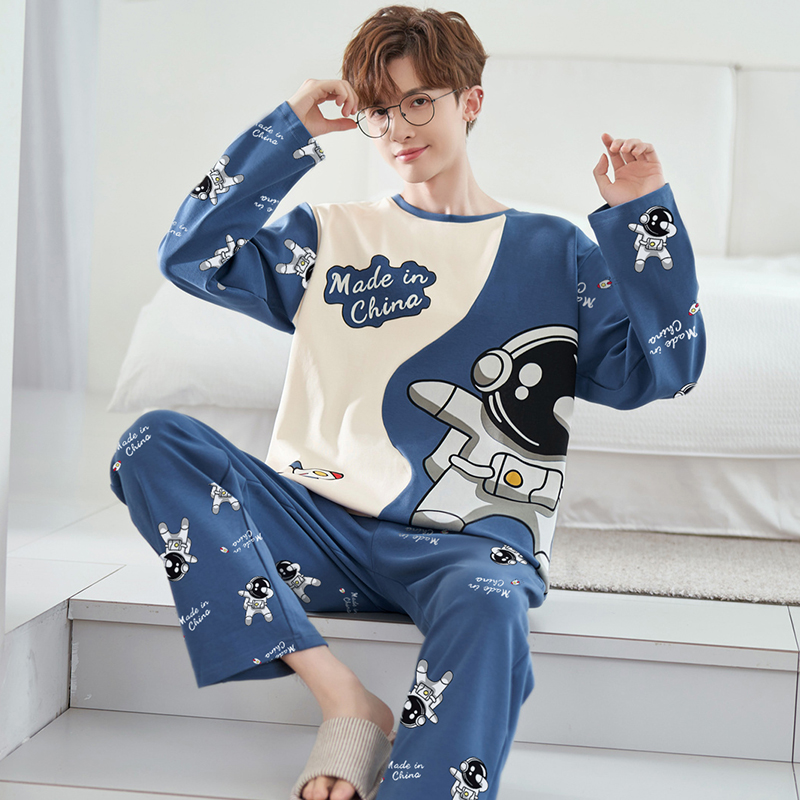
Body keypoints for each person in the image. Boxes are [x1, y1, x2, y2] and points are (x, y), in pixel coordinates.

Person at [110, 6, 705, 800]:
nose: (398, 128)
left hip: (467, 546)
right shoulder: (327, 236)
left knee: (490, 605)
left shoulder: (554, 251)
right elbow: (190, 255)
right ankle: (344, 699)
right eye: (380, 110)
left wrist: (642, 215)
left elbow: (665, 372)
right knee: (153, 443)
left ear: (471, 101)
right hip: (317, 525)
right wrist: (290, 128)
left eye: (419, 101)